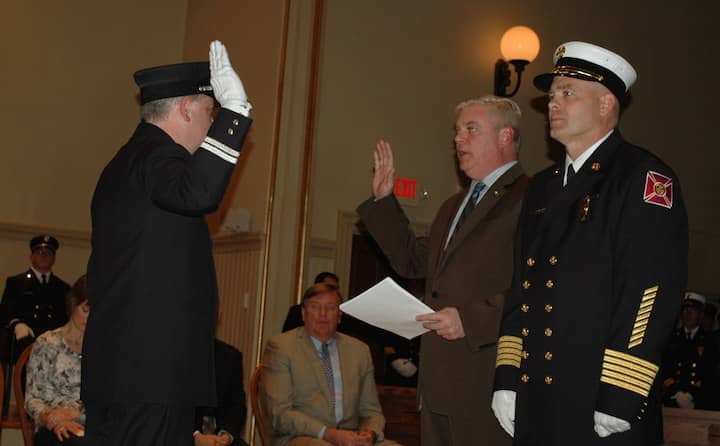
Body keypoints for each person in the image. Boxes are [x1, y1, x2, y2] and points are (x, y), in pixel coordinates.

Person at [492, 41, 688, 445]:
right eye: (551, 95)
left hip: (600, 397)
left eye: (567, 93)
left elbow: (650, 292)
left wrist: (621, 390)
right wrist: (508, 377)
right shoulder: (542, 188)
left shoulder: (643, 178)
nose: (553, 104)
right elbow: (521, 290)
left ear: (605, 105)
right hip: (537, 396)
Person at [81, 40, 252, 446]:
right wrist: (235, 114)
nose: (210, 124)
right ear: (186, 108)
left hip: (133, 372)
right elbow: (198, 194)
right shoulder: (156, 157)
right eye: (209, 113)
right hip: (149, 376)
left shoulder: (130, 160)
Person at [356, 96, 528, 445]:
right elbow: (412, 260)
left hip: (486, 382)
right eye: (457, 131)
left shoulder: (529, 197)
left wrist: (470, 318)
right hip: (437, 384)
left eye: (471, 130)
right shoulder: (454, 204)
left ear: (505, 137)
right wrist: (383, 201)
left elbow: (538, 288)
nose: (458, 139)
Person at [259, 283, 397, 446]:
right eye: (315, 307)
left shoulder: (359, 350)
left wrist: (370, 434)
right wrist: (328, 434)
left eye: (330, 308)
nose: (322, 314)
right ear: (303, 313)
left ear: (339, 315)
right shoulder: (281, 347)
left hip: (351, 438)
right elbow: (280, 413)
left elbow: (371, 411)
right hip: (299, 437)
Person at [25, 275, 89, 446]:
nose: (90, 318)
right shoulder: (47, 343)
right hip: (51, 427)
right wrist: (53, 421)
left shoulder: (102, 350)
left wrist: (76, 414)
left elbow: (106, 399)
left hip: (90, 424)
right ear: (73, 304)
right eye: (86, 310)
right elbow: (32, 399)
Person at [0, 235, 70, 361]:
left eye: (48, 253)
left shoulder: (63, 288)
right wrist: (17, 324)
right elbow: (4, 312)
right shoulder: (16, 283)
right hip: (24, 345)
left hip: (53, 349)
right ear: (31, 256)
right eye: (39, 252)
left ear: (54, 258)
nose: (44, 256)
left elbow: (66, 318)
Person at [662, 292, 719, 410]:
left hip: (700, 400)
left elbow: (711, 371)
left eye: (692, 310)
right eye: (685, 310)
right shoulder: (671, 338)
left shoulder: (710, 340)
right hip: (672, 397)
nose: (687, 313)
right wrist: (676, 392)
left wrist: (691, 394)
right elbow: (664, 368)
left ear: (701, 314)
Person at [194, 338, 249, 446]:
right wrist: (195, 437)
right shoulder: (177, 352)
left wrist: (226, 435)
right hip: (184, 436)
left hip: (222, 438)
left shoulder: (231, 356)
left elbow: (236, 406)